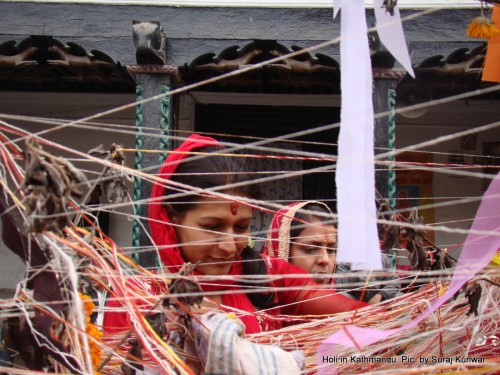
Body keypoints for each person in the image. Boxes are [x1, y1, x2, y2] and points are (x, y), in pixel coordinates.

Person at [105, 134, 367, 334]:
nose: (229, 247)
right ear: (172, 218)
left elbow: (358, 317)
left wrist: (401, 322)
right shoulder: (138, 299)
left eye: (241, 227)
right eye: (212, 227)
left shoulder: (266, 275)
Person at [265, 201, 337, 286]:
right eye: (310, 250)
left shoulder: (343, 299)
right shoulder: (253, 297)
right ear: (282, 250)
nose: (325, 260)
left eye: (330, 250)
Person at [335, 253, 401, 304]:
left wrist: (380, 295)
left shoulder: (383, 259)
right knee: (340, 296)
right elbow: (339, 285)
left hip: (378, 301)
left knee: (400, 297)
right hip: (353, 300)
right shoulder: (345, 261)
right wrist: (356, 275)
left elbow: (394, 282)